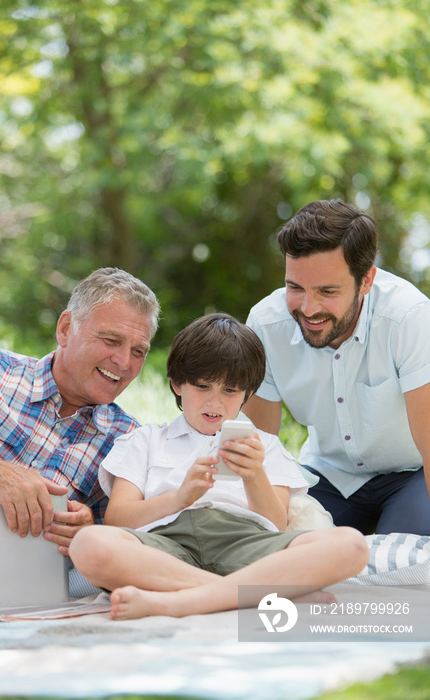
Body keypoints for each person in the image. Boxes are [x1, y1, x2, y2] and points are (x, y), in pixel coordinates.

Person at [70, 313, 368, 620]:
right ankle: (245, 596)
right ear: (177, 385)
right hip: (167, 547)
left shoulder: (264, 445)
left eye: (230, 391)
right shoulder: (144, 441)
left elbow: (276, 524)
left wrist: (254, 475)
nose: (215, 402)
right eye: (202, 386)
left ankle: (186, 601)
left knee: (351, 545)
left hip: (248, 546)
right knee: (89, 544)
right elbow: (119, 520)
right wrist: (179, 498)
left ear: (247, 395)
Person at [0, 267, 160, 587]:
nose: (125, 363)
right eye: (111, 340)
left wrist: (89, 534)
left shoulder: (129, 441)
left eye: (138, 351)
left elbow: (130, 545)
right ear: (66, 329)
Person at [244, 199, 430, 536]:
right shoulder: (265, 325)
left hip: (412, 475)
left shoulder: (409, 318)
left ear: (367, 281)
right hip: (327, 477)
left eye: (327, 291)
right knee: (289, 550)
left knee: (405, 561)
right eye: (295, 287)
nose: (308, 308)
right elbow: (261, 451)